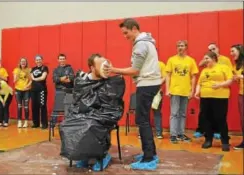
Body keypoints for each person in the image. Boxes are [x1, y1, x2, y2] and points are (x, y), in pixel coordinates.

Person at [107, 18, 161, 170]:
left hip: (147, 84)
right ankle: (150, 153)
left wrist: (114, 70)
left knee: (142, 120)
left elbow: (135, 70)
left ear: (134, 29)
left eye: (126, 33)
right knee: (143, 119)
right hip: (150, 82)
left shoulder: (141, 45)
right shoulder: (147, 41)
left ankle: (148, 159)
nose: (125, 36)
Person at [75, 54, 115, 171]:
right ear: (92, 68)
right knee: (75, 123)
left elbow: (112, 104)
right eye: (100, 65)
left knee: (96, 124)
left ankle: (102, 156)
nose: (104, 67)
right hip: (86, 113)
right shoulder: (84, 81)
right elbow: (77, 100)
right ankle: (84, 155)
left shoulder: (108, 82)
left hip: (103, 115)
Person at [194, 51, 232, 152]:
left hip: (220, 97)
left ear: (214, 58)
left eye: (207, 58)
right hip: (205, 97)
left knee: (220, 118)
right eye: (204, 59)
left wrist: (220, 85)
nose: (205, 61)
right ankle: (208, 140)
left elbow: (230, 80)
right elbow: (199, 83)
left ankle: (225, 141)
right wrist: (197, 92)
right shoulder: (204, 70)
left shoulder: (223, 68)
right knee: (206, 119)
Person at [165, 40, 199, 144]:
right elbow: (168, 75)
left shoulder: (191, 61)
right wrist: (167, 89)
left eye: (182, 45)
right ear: (176, 48)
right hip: (175, 90)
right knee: (174, 113)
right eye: (178, 46)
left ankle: (180, 133)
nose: (180, 47)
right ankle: (173, 135)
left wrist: (192, 91)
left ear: (186, 47)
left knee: (183, 114)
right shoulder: (171, 60)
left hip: (186, 91)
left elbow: (193, 77)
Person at [52, 53, 74, 118]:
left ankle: (67, 123)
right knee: (57, 107)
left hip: (69, 91)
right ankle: (54, 123)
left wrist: (60, 79)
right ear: (58, 60)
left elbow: (71, 78)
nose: (62, 60)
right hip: (59, 90)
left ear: (65, 60)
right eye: (60, 59)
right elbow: (55, 79)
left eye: (63, 59)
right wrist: (64, 78)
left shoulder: (70, 68)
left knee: (68, 107)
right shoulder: (56, 70)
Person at [231, 44, 244, 150]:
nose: (231, 53)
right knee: (242, 119)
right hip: (241, 94)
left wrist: (241, 76)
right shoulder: (235, 66)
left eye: (233, 51)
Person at [30, 55, 49, 129]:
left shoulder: (45, 68)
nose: (38, 61)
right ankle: (36, 123)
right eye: (37, 60)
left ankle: (44, 124)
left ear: (42, 60)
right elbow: (31, 76)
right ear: (35, 61)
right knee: (34, 106)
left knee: (42, 106)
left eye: (39, 59)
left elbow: (43, 77)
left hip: (42, 90)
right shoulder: (33, 68)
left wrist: (35, 79)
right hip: (33, 90)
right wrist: (36, 79)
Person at [13, 58, 32, 128]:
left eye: (24, 61)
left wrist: (27, 86)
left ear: (26, 63)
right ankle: (19, 121)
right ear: (20, 62)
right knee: (19, 106)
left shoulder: (29, 70)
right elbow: (14, 81)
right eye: (22, 61)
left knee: (26, 107)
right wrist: (17, 75)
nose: (23, 62)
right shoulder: (16, 70)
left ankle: (26, 121)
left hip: (26, 90)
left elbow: (31, 80)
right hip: (18, 90)